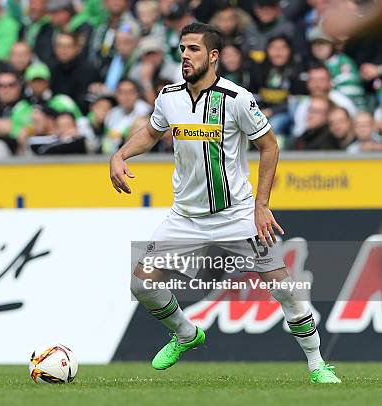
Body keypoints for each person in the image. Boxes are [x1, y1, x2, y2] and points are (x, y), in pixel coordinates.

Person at [110, 22, 341, 384]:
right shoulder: (169, 96)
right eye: (183, 49)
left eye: (194, 49)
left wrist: (261, 205)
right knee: (141, 284)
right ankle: (186, 333)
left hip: (236, 215)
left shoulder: (236, 99)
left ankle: (317, 364)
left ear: (213, 56)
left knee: (286, 289)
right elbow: (152, 133)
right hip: (185, 217)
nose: (185, 55)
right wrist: (120, 155)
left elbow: (269, 145)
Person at [102, 79, 151, 154]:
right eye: (122, 92)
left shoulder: (146, 110)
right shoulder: (112, 113)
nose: (126, 96)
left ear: (137, 94)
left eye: (130, 92)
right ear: (116, 94)